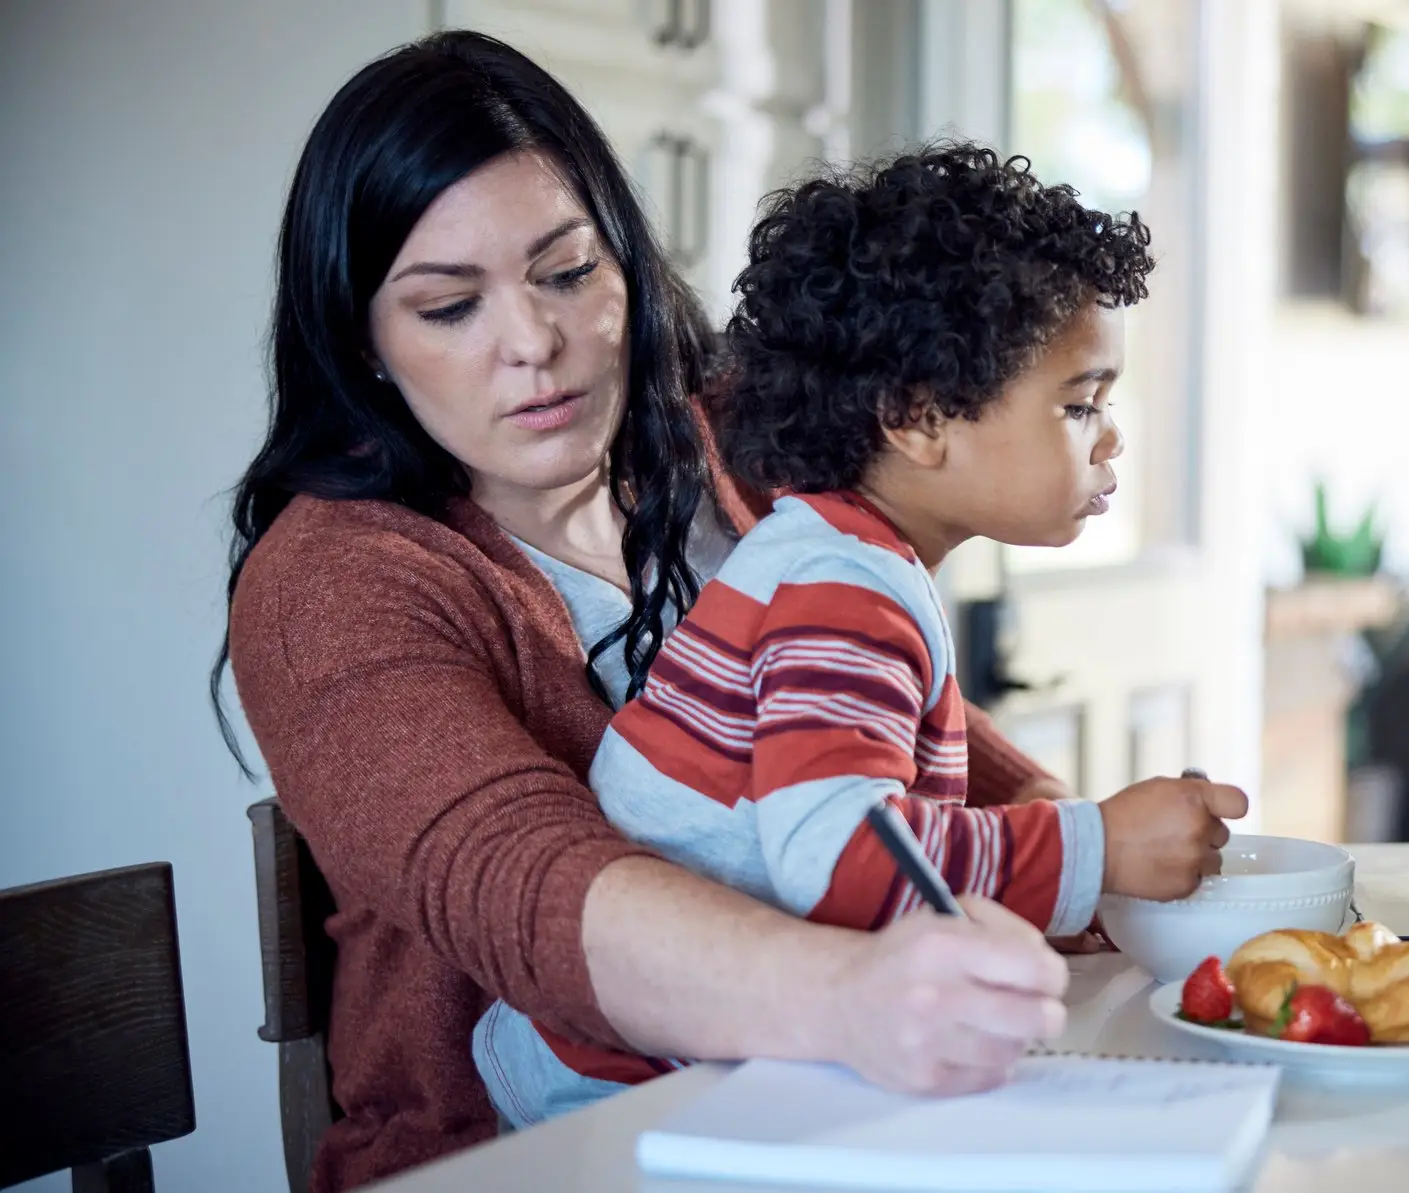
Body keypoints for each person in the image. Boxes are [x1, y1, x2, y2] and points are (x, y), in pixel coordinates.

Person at [219, 32, 1240, 1192]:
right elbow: (526, 882)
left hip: (815, 1112)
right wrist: (850, 993)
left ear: (627, 262)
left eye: (567, 273)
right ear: (365, 344)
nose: (533, 343)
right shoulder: (339, 580)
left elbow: (906, 733)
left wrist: (1109, 863)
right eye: (450, 306)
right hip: (522, 1153)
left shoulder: (731, 447)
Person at [471, 144, 1248, 1127]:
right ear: (917, 418)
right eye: (1077, 403)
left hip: (692, 1059)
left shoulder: (836, 552)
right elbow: (842, 861)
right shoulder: (841, 589)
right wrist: (1094, 849)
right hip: (615, 1092)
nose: (1109, 438)